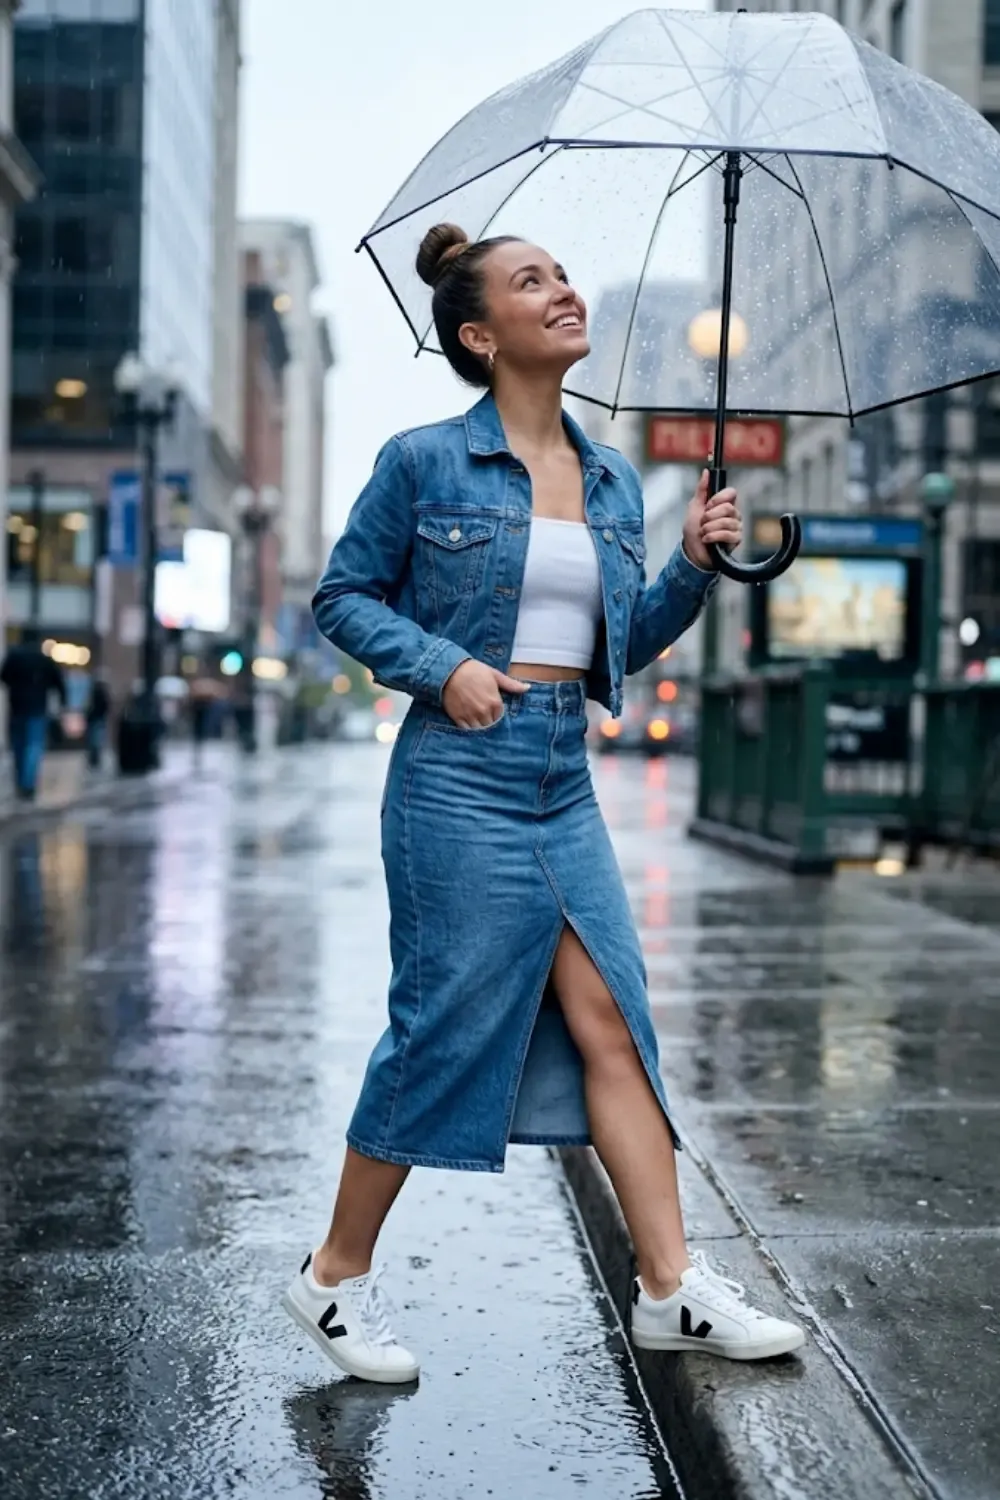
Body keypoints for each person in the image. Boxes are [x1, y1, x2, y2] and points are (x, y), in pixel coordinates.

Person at [286, 224, 805, 1383]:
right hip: (457, 781)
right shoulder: (423, 462)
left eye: (565, 273)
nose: (564, 289)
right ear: (480, 335)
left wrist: (691, 567)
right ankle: (329, 1282)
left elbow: (622, 645)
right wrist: (442, 665)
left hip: (561, 774)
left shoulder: (612, 475)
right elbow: (342, 596)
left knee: (615, 1018)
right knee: (441, 1032)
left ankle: (670, 1289)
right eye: (533, 282)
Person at [1, 628, 65, 801]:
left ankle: (21, 781)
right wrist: (62, 704)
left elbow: (4, 677)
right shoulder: (44, 659)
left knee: (18, 747)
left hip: (16, 708)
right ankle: (27, 784)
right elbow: (58, 683)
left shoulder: (14, 656)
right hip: (37, 708)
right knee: (33, 746)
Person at [85, 672, 111, 770]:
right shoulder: (101, 693)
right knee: (97, 741)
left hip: (95, 720)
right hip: (99, 720)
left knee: (94, 741)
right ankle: (95, 760)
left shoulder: (94, 692)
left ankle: (94, 760)